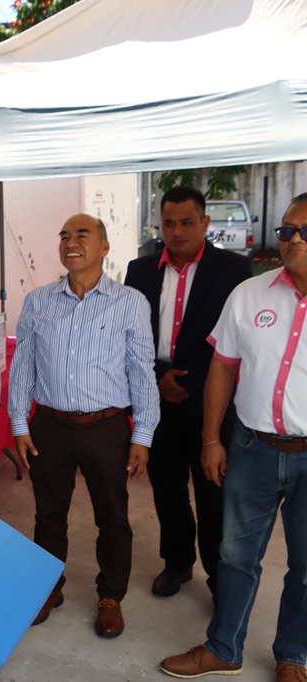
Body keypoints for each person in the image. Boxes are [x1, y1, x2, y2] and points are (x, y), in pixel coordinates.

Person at [160, 194, 307, 682]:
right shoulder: (251, 293)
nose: (294, 240)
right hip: (252, 448)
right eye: (287, 231)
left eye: (305, 231)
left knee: (305, 566)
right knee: (235, 555)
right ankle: (224, 647)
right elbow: (223, 366)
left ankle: (293, 657)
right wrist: (210, 439)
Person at [8, 213, 159, 639]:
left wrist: (142, 435)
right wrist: (20, 423)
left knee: (112, 516)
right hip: (50, 426)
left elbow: (141, 371)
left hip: (107, 427)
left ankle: (111, 596)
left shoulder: (129, 302)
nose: (70, 241)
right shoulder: (39, 301)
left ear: (105, 248)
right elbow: (24, 366)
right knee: (48, 515)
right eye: (64, 235)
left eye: (82, 234)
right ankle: (48, 588)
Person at [125, 186, 253, 600]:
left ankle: (218, 577)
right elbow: (134, 336)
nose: (176, 231)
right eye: (168, 223)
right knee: (167, 489)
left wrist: (189, 380)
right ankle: (177, 563)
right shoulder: (140, 271)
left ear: (204, 223)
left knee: (214, 494)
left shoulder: (233, 270)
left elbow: (236, 337)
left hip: (210, 403)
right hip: (157, 399)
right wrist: (159, 378)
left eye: (185, 222)